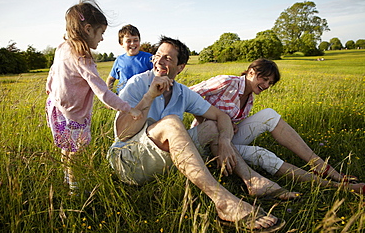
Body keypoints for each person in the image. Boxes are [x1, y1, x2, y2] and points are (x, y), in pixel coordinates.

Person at [107, 36, 287, 231]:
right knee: (172, 123)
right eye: (157, 56)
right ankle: (223, 202)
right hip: (129, 160)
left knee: (212, 125)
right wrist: (149, 96)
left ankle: (252, 180)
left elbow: (221, 116)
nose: (160, 62)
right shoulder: (137, 84)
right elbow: (123, 133)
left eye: (167, 58)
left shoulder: (182, 92)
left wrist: (225, 141)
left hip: (162, 159)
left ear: (180, 67)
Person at [189, 58, 364, 194]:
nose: (266, 86)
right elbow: (189, 95)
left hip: (227, 139)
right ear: (250, 72)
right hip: (206, 142)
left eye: (270, 83)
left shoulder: (249, 99)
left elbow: (230, 120)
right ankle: (336, 186)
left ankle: (320, 165)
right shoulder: (227, 82)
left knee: (269, 114)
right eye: (263, 79)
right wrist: (207, 120)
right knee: (262, 154)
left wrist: (231, 125)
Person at [45, 0, 142, 193]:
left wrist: (50, 90)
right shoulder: (83, 58)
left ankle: (68, 180)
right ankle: (75, 190)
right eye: (101, 33)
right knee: (76, 153)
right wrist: (128, 108)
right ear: (88, 29)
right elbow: (103, 92)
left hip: (56, 107)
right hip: (74, 114)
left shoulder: (62, 47)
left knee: (67, 149)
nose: (102, 38)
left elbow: (52, 72)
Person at [106, 24, 153, 93]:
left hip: (143, 97)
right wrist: (109, 95)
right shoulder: (119, 60)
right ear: (121, 44)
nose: (132, 43)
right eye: (128, 41)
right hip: (123, 97)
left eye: (135, 40)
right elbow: (111, 78)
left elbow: (158, 75)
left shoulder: (148, 58)